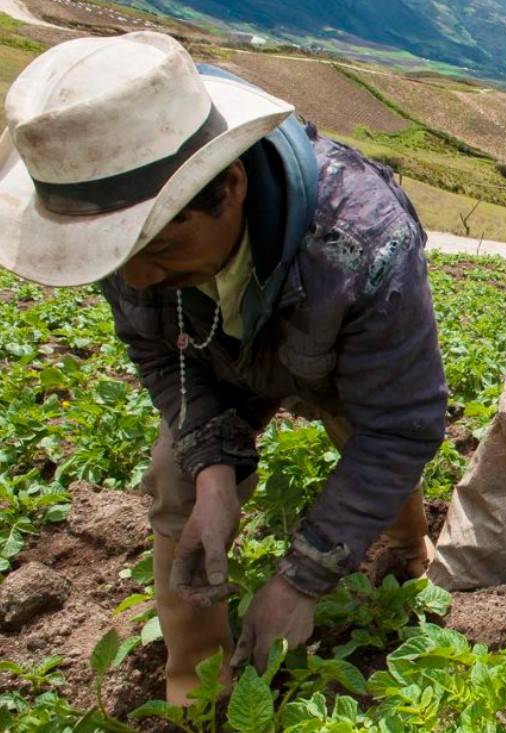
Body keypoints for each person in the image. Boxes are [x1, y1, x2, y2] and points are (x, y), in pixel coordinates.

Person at [0, 32, 447, 703]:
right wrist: (213, 471)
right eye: (119, 257)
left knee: (364, 435)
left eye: (159, 246)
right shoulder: (122, 234)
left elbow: (400, 426)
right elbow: (157, 352)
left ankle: (410, 546)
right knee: (174, 479)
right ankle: (198, 686)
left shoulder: (363, 245)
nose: (139, 277)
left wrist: (299, 579)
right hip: (210, 357)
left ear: (231, 184)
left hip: (330, 355)